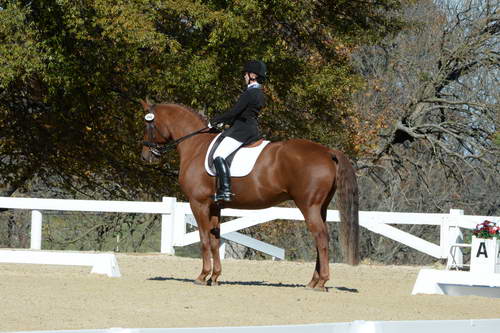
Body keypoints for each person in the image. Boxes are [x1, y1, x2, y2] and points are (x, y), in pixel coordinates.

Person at [210, 60, 267, 202]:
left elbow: (234, 111)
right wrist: (226, 121)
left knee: (219, 155)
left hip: (242, 131)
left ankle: (226, 191)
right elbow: (242, 114)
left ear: (252, 75)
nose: (244, 77)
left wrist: (214, 120)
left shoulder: (250, 93)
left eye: (246, 74)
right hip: (249, 128)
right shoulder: (259, 93)